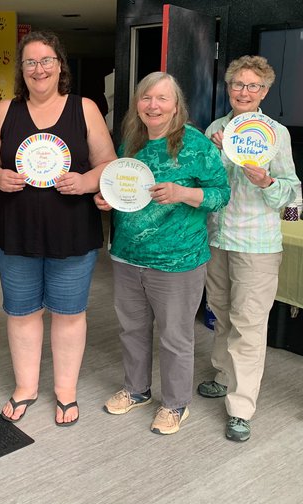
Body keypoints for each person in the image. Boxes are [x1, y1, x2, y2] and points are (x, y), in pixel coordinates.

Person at [0, 31, 115, 426]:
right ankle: (26, 388)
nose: (39, 69)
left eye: (46, 60)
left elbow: (108, 162)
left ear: (60, 66)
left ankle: (66, 392)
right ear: (22, 70)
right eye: (30, 62)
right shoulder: (6, 110)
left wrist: (87, 182)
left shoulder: (84, 108)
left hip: (72, 229)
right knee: (22, 313)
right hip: (16, 229)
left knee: (70, 313)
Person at [96, 72, 230, 434]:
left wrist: (183, 193)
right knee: (132, 329)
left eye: (162, 99)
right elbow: (125, 191)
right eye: (146, 98)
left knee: (175, 337)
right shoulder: (130, 143)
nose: (153, 106)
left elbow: (221, 194)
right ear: (138, 104)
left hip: (178, 262)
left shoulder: (196, 145)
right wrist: (107, 200)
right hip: (126, 256)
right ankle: (136, 390)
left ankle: (175, 405)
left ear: (176, 106)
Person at [198, 55, 300, 442]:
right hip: (217, 237)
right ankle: (223, 376)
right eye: (237, 85)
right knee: (221, 313)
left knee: (249, 324)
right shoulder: (215, 129)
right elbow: (206, 184)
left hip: (257, 243)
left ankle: (241, 407)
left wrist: (265, 181)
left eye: (253, 86)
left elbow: (292, 195)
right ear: (228, 89)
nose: (244, 92)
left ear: (265, 91)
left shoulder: (277, 134)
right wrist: (218, 156)